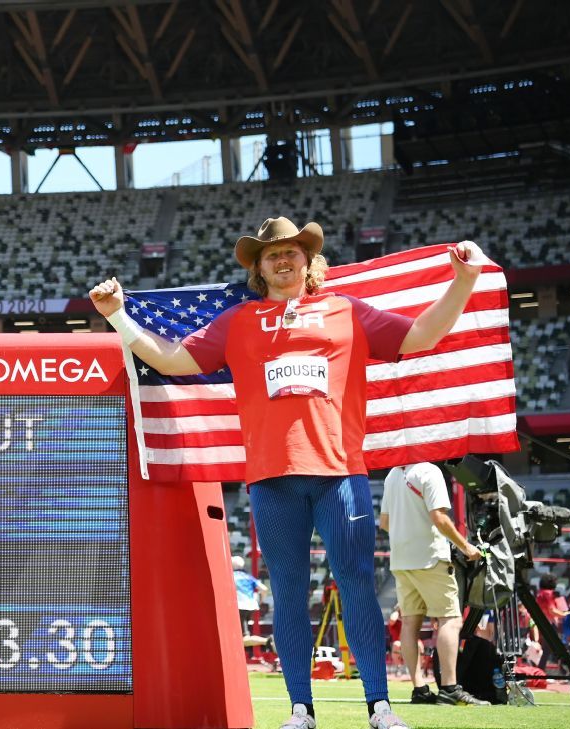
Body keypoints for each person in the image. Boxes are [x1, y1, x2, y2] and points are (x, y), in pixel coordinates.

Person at [91, 217, 487, 729]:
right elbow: (175, 360)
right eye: (271, 254)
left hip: (340, 473)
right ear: (258, 267)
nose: (282, 260)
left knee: (358, 587)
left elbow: (420, 335)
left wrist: (464, 281)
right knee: (288, 595)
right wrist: (119, 317)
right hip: (271, 479)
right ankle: (301, 708)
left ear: (309, 259)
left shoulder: (346, 311)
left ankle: (380, 707)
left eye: (292, 251)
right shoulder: (238, 321)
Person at [379, 462, 487, 706]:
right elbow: (439, 518)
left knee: (409, 623)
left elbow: (384, 523)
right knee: (450, 619)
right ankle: (449, 688)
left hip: (401, 560)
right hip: (430, 558)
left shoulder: (392, 474)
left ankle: (419, 689)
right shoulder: (430, 471)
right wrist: (466, 546)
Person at [232, 555, 267, 636]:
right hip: (251, 606)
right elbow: (264, 589)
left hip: (238, 606)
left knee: (242, 635)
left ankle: (267, 642)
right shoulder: (248, 577)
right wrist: (260, 602)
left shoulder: (231, 576)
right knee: (243, 630)